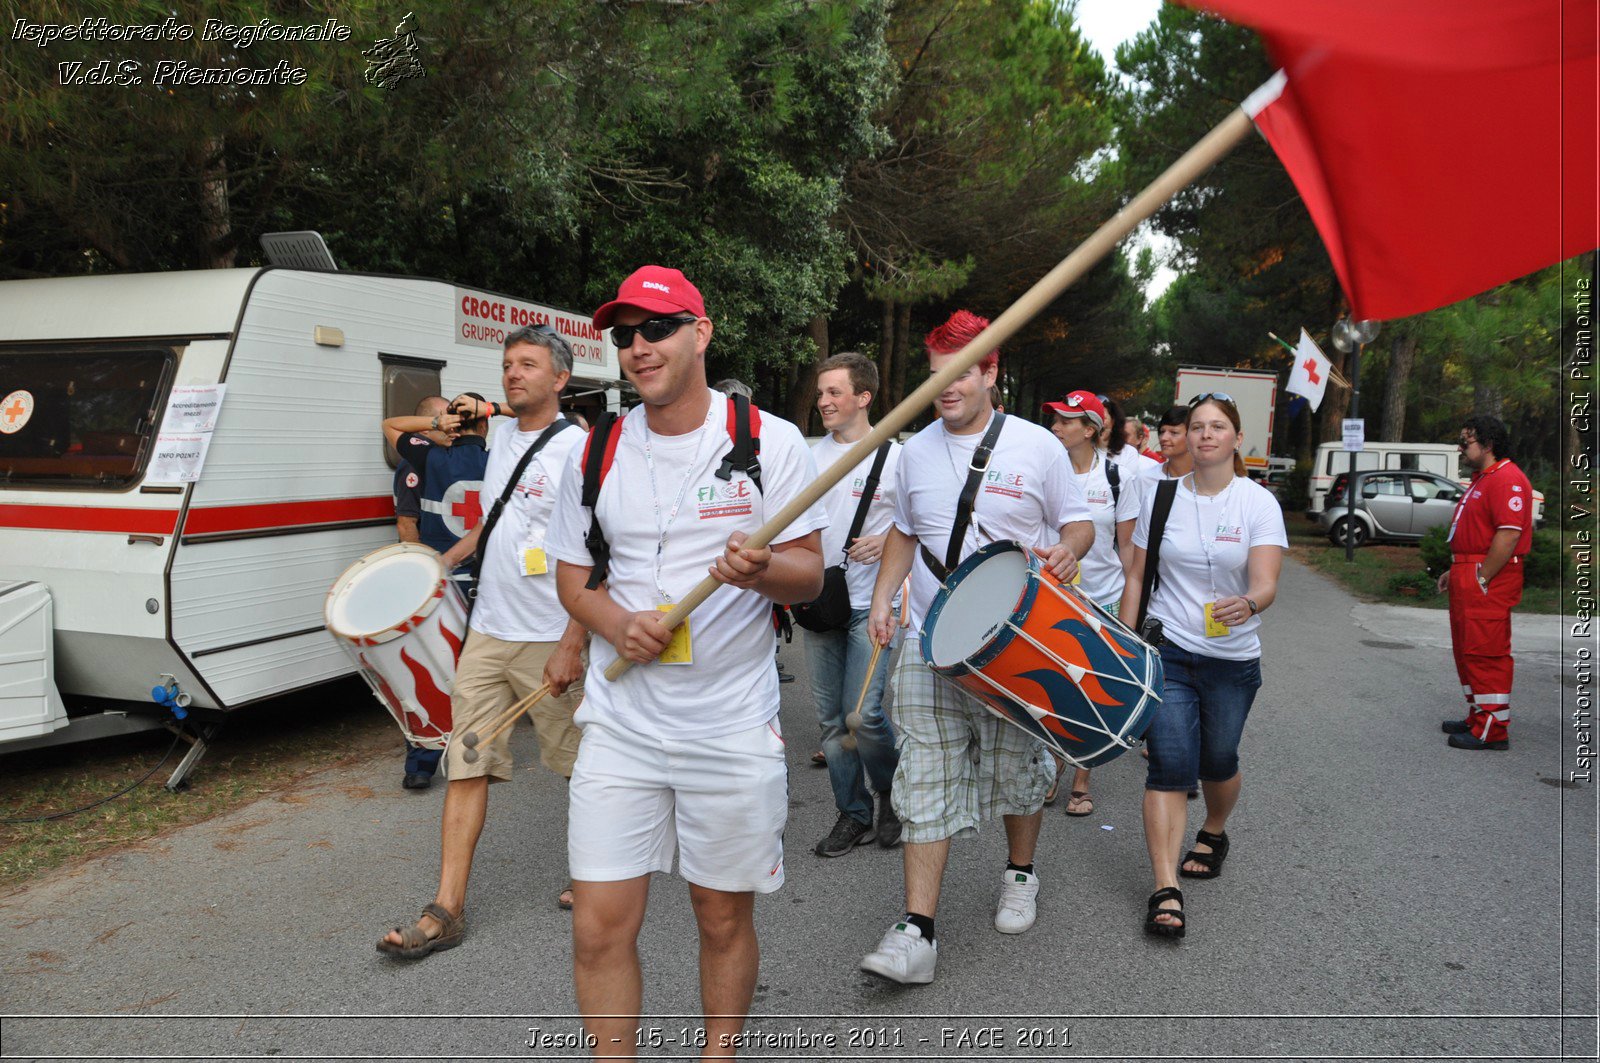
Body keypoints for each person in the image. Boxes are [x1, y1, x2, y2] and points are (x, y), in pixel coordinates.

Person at [547, 265, 826, 1057]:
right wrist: (614, 619)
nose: (639, 347)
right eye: (625, 334)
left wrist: (760, 569)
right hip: (621, 725)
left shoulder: (769, 440)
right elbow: (573, 576)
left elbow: (809, 574)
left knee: (721, 915)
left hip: (730, 726)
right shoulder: (595, 448)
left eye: (657, 327)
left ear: (701, 333)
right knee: (599, 927)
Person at [858, 309, 1091, 985]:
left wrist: (1069, 551)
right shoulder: (914, 451)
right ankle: (918, 932)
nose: (945, 389)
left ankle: (1020, 874)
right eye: (936, 378)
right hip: (931, 642)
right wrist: (883, 597)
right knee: (921, 776)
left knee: (1020, 769)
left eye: (960, 375)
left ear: (992, 372)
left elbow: (1078, 525)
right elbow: (903, 531)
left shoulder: (1036, 448)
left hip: (1014, 645)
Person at [376, 324, 589, 959]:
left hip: (550, 633)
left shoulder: (578, 451)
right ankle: (446, 908)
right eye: (507, 364)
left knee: (583, 767)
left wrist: (574, 640)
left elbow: (600, 553)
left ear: (560, 379)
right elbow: (496, 524)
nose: (513, 373)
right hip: (489, 633)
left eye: (528, 364)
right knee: (465, 761)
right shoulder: (496, 439)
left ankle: (595, 872)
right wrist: (437, 565)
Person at [1119, 394, 1286, 939]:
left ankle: (1214, 829)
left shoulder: (1257, 503)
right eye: (1197, 427)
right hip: (1169, 648)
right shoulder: (1161, 498)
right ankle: (1166, 887)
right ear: (1186, 437)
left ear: (1237, 438)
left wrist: (1251, 602)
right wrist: (1125, 645)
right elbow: (1139, 578)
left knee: (1218, 759)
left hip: (1232, 658)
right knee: (1169, 762)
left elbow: (1265, 582)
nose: (1206, 435)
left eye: (1218, 427)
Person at [807, 352, 904, 856]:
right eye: (821, 393)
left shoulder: (896, 457)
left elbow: (921, 525)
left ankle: (890, 792)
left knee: (861, 715)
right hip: (820, 602)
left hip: (874, 603)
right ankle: (853, 813)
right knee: (828, 720)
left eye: (834, 392)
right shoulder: (807, 457)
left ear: (864, 398)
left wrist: (887, 536)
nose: (823, 401)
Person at [1042, 390, 1139, 819]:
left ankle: (1081, 778)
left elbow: (1129, 553)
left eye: (1065, 421)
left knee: (1091, 689)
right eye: (1055, 419)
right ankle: (1052, 766)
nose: (1056, 427)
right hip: (1055, 596)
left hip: (1103, 598)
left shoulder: (1118, 478)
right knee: (1053, 684)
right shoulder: (1044, 471)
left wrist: (1129, 618)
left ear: (1090, 429)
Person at [1436, 414, 1534, 751]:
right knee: (1468, 650)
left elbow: (1508, 536)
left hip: (1487, 578)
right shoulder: (1485, 478)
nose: (1460, 448)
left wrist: (1481, 576)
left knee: (1486, 651)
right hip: (1470, 572)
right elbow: (1476, 534)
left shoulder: (1508, 479)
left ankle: (1491, 730)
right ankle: (1479, 714)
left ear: (1488, 444)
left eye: (1466, 442)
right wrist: (1458, 569)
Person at [389, 396, 452, 789]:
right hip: (432, 579)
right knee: (430, 664)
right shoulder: (416, 461)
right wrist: (422, 582)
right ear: (427, 425)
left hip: (458, 574)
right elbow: (406, 523)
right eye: (444, 420)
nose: (452, 427)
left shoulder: (449, 459)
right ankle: (422, 759)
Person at [1140, 405, 1194, 493]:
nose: (1163, 438)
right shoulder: (1145, 479)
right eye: (1162, 432)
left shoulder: (1209, 480)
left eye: (1174, 432)